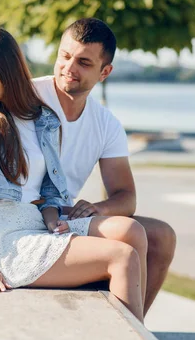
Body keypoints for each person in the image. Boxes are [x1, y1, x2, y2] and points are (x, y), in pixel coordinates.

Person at [0, 26, 146, 322]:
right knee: (122, 257)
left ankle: (132, 333)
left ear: (9, 66)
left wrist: (53, 220)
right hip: (4, 239)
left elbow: (49, 189)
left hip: (39, 223)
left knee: (132, 232)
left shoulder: (42, 118)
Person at [32, 18, 177, 316]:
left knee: (161, 235)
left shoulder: (106, 124)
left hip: (63, 216)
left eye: (84, 62)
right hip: (25, 214)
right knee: (128, 233)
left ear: (105, 72)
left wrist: (99, 209)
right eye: (65, 56)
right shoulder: (28, 98)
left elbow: (126, 196)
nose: (69, 68)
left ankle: (136, 327)